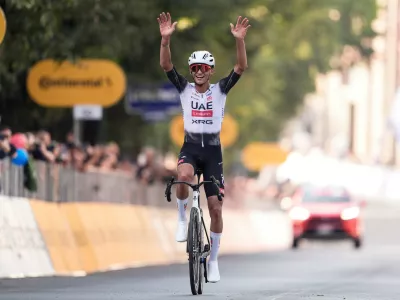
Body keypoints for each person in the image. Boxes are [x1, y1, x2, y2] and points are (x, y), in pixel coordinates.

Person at [157, 12, 250, 282]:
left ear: (210, 71)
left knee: (216, 208)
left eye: (203, 68)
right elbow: (166, 66)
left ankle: (214, 260)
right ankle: (182, 218)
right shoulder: (184, 89)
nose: (198, 72)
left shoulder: (220, 90)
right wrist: (165, 40)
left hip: (212, 154)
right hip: (190, 148)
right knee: (183, 177)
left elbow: (241, 67)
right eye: (194, 68)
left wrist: (239, 41)